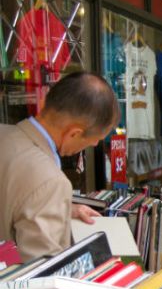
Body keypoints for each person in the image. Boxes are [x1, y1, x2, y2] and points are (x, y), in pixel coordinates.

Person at [0, 72, 120, 262]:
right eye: (95, 140)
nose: (94, 145)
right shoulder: (51, 182)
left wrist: (61, 207)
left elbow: (14, 195)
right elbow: (43, 270)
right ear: (74, 133)